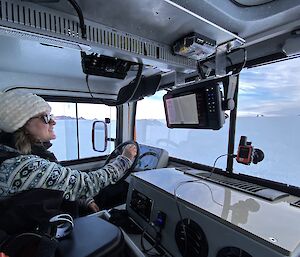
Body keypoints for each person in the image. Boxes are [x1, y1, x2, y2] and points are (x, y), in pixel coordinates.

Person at [0, 91, 137, 212]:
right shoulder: (24, 166)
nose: (53, 121)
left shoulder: (19, 156)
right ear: (24, 124)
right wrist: (125, 159)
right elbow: (88, 183)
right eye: (46, 117)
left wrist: (84, 199)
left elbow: (55, 182)